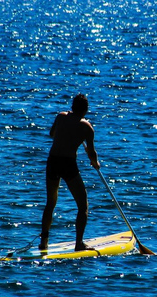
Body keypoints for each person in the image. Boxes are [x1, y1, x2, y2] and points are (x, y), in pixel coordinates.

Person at [39, 94, 100, 251]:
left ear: (72, 106)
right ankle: (79, 243)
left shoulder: (60, 116)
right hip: (67, 164)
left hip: (52, 161)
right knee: (82, 204)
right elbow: (92, 154)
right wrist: (96, 163)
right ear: (85, 110)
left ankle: (43, 243)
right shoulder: (87, 127)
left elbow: (52, 134)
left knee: (50, 203)